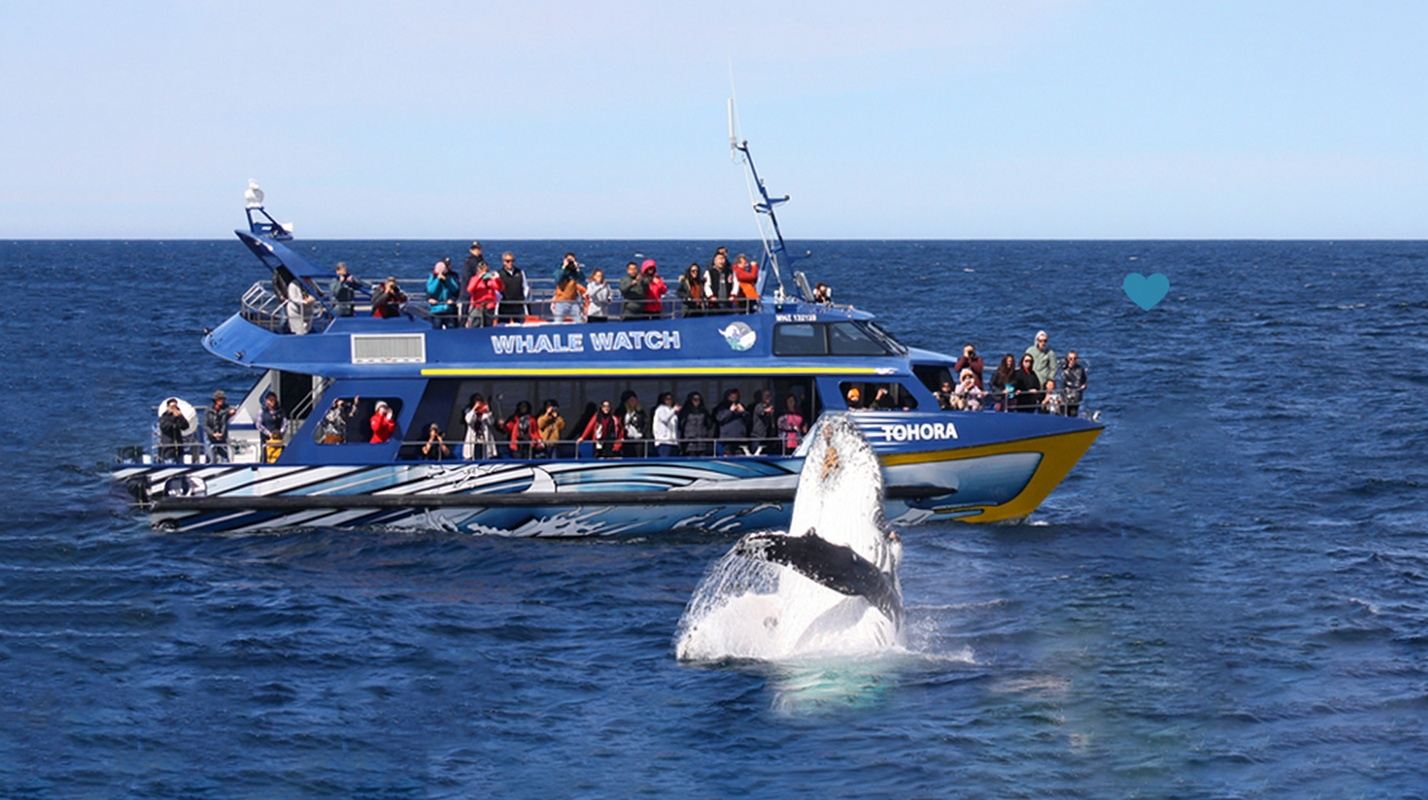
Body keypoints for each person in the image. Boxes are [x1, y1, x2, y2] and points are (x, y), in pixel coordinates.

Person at [465, 260, 503, 328]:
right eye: (481, 269)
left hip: (489, 307)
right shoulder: (474, 279)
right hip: (477, 306)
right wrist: (479, 278)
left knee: (488, 326)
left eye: (485, 269)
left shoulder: (491, 280)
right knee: (474, 325)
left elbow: (499, 288)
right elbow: (469, 289)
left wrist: (497, 279)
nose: (483, 271)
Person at [204, 389, 238, 461]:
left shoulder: (226, 409)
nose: (222, 401)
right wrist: (213, 434)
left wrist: (232, 412)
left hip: (222, 436)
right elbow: (206, 426)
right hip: (211, 436)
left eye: (223, 399)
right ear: (215, 400)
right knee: (211, 457)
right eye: (220, 399)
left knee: (224, 457)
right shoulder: (208, 410)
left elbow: (231, 411)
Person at [426, 258, 461, 329]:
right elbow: (431, 290)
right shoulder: (432, 277)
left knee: (452, 330)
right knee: (436, 330)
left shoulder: (452, 276)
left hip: (449, 309)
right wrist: (438, 280)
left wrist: (446, 280)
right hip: (437, 309)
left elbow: (455, 289)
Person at [677, 392, 714, 456]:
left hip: (702, 440)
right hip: (689, 441)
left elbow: (709, 423)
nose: (697, 401)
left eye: (698, 400)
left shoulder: (704, 411)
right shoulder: (685, 411)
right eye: (694, 400)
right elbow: (680, 425)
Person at [552, 253, 586, 322]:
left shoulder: (574, 273)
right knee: (558, 322)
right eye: (569, 260)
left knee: (579, 322)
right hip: (561, 301)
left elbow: (582, 279)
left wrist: (577, 269)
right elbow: (557, 278)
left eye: (572, 260)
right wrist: (564, 267)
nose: (570, 262)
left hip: (574, 301)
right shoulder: (559, 270)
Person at [463, 393, 498, 460]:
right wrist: (474, 409)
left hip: (484, 439)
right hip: (473, 440)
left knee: (485, 455)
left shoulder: (485, 414)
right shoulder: (470, 412)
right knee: (472, 455)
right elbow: (468, 420)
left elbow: (491, 422)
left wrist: (488, 412)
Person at [713, 388, 748, 455]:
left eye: (736, 396)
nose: (734, 398)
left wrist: (743, 412)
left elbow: (748, 420)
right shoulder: (722, 407)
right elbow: (720, 418)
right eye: (732, 396)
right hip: (727, 439)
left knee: (739, 457)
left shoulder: (741, 405)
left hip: (739, 438)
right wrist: (730, 411)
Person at [496, 252, 529, 323]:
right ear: (503, 262)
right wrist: (500, 298)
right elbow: (496, 290)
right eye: (508, 261)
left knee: (520, 327)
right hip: (505, 305)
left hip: (518, 305)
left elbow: (525, 286)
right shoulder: (498, 274)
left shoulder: (520, 272)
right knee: (503, 326)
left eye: (512, 261)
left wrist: (523, 297)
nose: (510, 263)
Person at [460, 242, 489, 317]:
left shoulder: (481, 261)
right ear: (471, 250)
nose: (476, 251)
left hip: (479, 293)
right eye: (474, 249)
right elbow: (468, 278)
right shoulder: (470, 262)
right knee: (467, 314)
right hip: (469, 292)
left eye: (478, 248)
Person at [747, 389, 776, 455]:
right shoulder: (759, 406)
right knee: (756, 454)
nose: (768, 398)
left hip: (767, 436)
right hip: (757, 436)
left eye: (769, 396)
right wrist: (768, 410)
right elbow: (762, 412)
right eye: (766, 396)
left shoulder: (770, 407)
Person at [259, 391, 286, 462]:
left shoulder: (280, 411)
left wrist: (280, 433)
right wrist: (268, 433)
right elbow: (259, 424)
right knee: (265, 455)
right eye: (269, 400)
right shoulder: (262, 411)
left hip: (278, 439)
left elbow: (284, 423)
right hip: (266, 439)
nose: (270, 402)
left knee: (278, 456)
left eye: (272, 400)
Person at [159, 398, 188, 463]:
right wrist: (174, 417)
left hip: (179, 448)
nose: (174, 409)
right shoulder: (164, 417)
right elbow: (166, 427)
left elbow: (185, 426)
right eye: (172, 407)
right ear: (168, 407)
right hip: (169, 449)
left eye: (175, 407)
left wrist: (181, 416)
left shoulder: (178, 417)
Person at [620, 391, 648, 458]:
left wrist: (642, 433)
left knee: (638, 456)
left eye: (634, 400)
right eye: (630, 400)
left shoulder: (640, 412)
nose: (632, 402)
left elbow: (646, 423)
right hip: (627, 440)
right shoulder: (622, 412)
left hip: (638, 440)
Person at [652, 392, 680, 457]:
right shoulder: (660, 409)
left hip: (673, 442)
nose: (669, 400)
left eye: (671, 399)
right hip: (663, 441)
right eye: (667, 399)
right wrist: (673, 410)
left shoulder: (672, 410)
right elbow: (664, 418)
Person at [1062, 350, 1087, 418]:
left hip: (1076, 397)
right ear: (1067, 359)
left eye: (1075, 358)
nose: (1072, 361)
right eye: (1070, 359)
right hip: (1064, 396)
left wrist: (1084, 386)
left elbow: (1084, 381)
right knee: (1063, 415)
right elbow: (1060, 382)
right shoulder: (1063, 369)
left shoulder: (1080, 369)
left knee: (1073, 414)